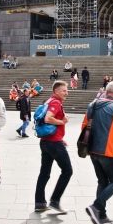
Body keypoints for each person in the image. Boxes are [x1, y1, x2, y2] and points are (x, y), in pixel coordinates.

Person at [83, 81, 113, 224]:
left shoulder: (92, 105)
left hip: (93, 150)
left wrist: (87, 147)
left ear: (106, 91)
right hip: (109, 152)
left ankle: (101, 216)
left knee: (102, 182)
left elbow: (84, 126)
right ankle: (96, 206)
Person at [35, 80, 73, 213]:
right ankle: (55, 201)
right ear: (56, 91)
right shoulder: (56, 102)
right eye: (64, 91)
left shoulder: (49, 101)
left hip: (46, 141)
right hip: (54, 143)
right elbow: (48, 119)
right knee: (67, 171)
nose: (66, 93)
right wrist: (62, 121)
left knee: (44, 173)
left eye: (66, 91)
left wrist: (61, 138)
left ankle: (39, 203)